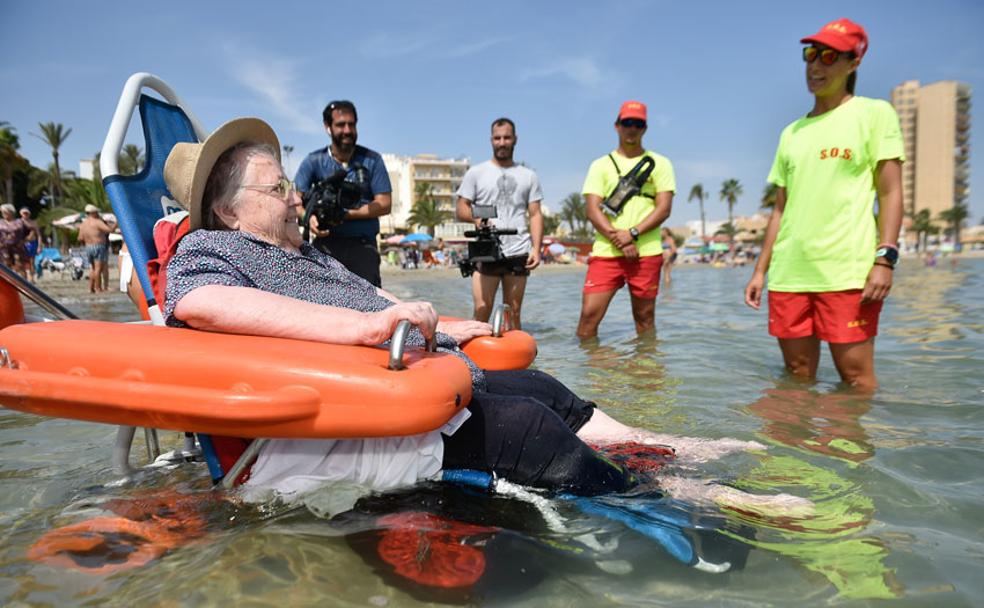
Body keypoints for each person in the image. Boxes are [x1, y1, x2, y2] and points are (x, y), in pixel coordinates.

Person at [161, 117, 791, 510]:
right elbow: (198, 303)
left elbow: (371, 297)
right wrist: (363, 328)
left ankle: (665, 450)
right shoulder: (208, 248)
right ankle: (691, 501)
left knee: (546, 392)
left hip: (398, 374)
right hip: (337, 417)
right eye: (278, 190)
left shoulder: (306, 255)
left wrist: (443, 323)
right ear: (227, 210)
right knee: (526, 429)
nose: (297, 197)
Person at [743, 19, 904, 391]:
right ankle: (800, 451)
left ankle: (846, 450)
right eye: (811, 55)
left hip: (846, 272)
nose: (816, 66)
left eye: (829, 56)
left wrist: (885, 258)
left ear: (854, 63)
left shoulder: (874, 114)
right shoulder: (791, 132)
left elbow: (891, 193)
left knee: (856, 380)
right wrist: (759, 271)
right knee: (797, 378)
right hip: (790, 273)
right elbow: (780, 209)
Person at [576, 101, 675, 339]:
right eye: (627, 123)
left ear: (645, 128)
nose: (632, 128)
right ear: (617, 126)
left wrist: (632, 233)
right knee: (588, 318)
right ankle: (590, 375)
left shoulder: (660, 164)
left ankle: (645, 373)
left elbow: (664, 209)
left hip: (647, 253)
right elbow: (592, 209)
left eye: (638, 124)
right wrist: (619, 239)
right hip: (606, 252)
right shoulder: (600, 165)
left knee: (645, 319)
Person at [456, 118, 544, 329]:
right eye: (497, 138)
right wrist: (477, 218)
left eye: (506, 137)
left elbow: (535, 214)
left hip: (518, 249)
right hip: (487, 249)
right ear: (491, 140)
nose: (502, 142)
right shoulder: (476, 173)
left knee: (513, 313)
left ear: (515, 139)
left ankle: (516, 362)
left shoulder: (528, 175)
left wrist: (537, 248)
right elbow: (461, 208)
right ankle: (471, 359)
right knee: (482, 309)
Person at [295, 100, 391, 287]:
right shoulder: (314, 161)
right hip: (326, 244)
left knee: (370, 304)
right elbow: (295, 201)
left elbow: (385, 203)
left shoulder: (372, 160)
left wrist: (346, 215)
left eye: (351, 124)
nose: (347, 130)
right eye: (340, 125)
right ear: (328, 127)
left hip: (363, 246)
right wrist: (309, 217)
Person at [78, 204, 115, 293]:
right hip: (98, 246)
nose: (98, 214)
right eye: (96, 212)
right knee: (98, 268)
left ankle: (91, 288)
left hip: (88, 247)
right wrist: (117, 223)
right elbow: (109, 230)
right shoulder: (97, 222)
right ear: (93, 213)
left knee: (92, 268)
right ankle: (98, 288)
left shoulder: (83, 224)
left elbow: (80, 238)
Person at [0, 203, 26, 272]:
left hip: (17, 247)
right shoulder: (1, 222)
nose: (3, 214)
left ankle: (22, 281)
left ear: (11, 212)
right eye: (2, 212)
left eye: (5, 212)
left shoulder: (19, 221)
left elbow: (31, 230)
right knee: (6, 264)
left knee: (19, 264)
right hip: (4, 247)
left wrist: (24, 240)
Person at [18, 208, 40, 282]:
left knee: (32, 262)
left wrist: (39, 246)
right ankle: (24, 277)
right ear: (21, 214)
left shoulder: (33, 223)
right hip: (22, 243)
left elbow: (39, 235)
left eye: (26, 213)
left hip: (32, 243)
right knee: (22, 261)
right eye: (24, 213)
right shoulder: (18, 222)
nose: (25, 215)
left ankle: (32, 278)